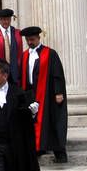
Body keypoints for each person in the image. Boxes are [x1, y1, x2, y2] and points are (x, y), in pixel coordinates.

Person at [19, 26, 69, 163]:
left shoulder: (50, 53)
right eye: (28, 40)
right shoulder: (25, 55)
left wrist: (58, 92)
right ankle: (38, 148)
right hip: (30, 93)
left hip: (47, 92)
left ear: (39, 38)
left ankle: (60, 152)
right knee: (33, 121)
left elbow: (57, 74)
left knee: (52, 121)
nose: (30, 42)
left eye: (32, 39)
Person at [0, 8, 23, 77]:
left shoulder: (18, 33)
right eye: (4, 20)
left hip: (16, 70)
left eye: (8, 19)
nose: (6, 22)